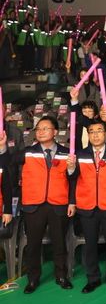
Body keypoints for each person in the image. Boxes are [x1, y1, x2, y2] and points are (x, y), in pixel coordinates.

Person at [10, 116, 76, 294]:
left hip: (58, 204)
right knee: (33, 244)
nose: (40, 132)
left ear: (55, 132)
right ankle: (33, 279)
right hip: (33, 205)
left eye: (45, 128)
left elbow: (74, 179)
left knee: (60, 243)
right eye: (38, 129)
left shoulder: (67, 153)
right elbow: (8, 162)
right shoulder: (28, 152)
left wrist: (71, 170)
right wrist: (2, 148)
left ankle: (61, 276)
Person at [72, 119, 106, 293]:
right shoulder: (79, 155)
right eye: (92, 131)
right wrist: (71, 169)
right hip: (86, 206)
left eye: (99, 131)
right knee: (90, 245)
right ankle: (92, 279)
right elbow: (71, 179)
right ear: (88, 135)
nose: (95, 134)